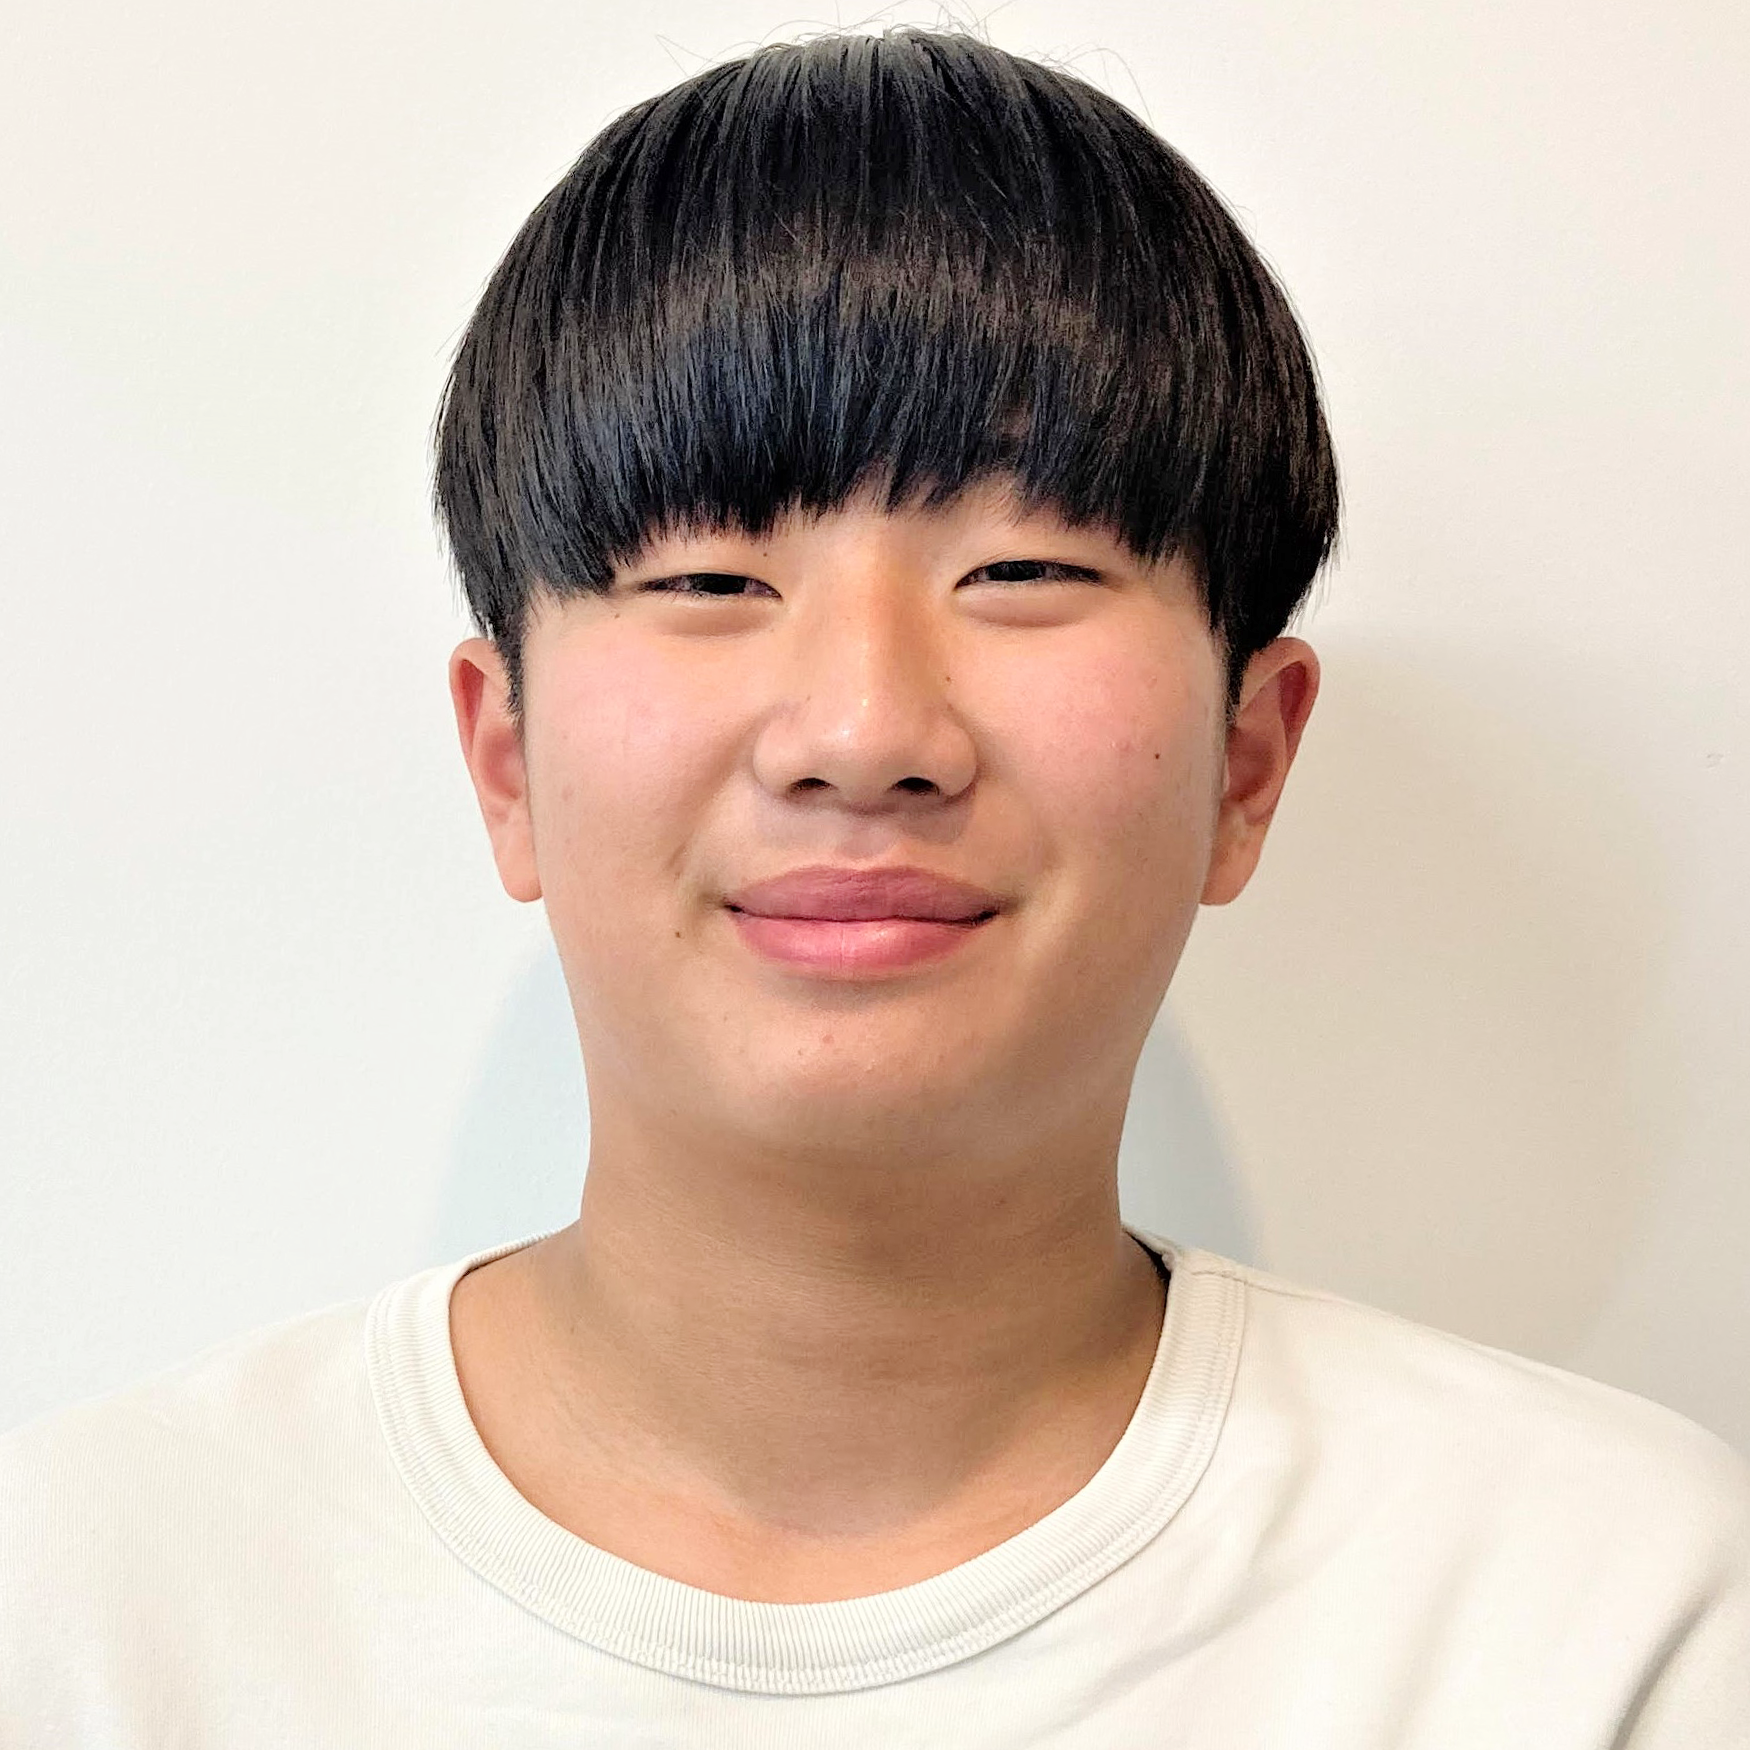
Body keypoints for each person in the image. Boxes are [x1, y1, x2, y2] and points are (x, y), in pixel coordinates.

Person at [2, 25, 1745, 1747]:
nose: (860, 731)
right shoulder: (91, 1606)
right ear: (506, 758)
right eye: (706, 578)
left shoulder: (1602, 1617)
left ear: (1244, 761)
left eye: (1025, 568)